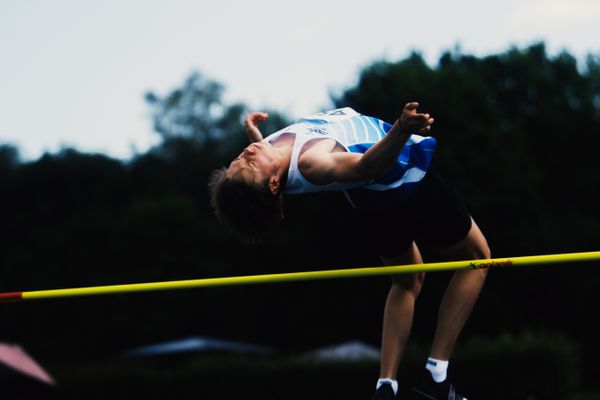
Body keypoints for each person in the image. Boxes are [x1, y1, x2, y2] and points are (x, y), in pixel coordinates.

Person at [208, 102, 490, 400]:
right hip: (405, 177)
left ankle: (386, 387)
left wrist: (255, 136)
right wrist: (401, 129)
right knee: (478, 258)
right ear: (274, 184)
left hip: (370, 202)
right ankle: (436, 377)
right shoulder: (311, 163)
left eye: (238, 158)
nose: (248, 153)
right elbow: (366, 166)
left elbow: (266, 193)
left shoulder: (268, 158)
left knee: (407, 280)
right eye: (249, 164)